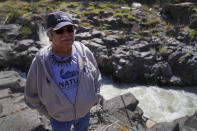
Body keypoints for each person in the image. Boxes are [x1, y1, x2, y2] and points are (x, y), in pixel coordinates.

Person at [24, 11, 102, 131]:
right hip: (59, 119)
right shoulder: (41, 61)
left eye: (70, 29)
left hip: (84, 114)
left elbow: (96, 75)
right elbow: (30, 95)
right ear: (50, 35)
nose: (66, 34)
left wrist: (95, 97)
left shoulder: (83, 51)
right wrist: (48, 113)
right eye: (60, 31)